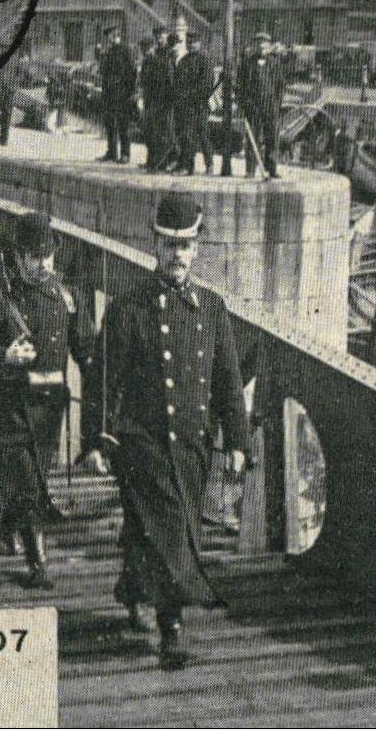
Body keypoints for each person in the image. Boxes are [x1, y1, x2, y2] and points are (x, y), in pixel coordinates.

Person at [83, 192, 250, 670]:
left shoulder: (212, 309)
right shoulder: (129, 308)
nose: (177, 255)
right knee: (172, 533)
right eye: (169, 245)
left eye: (187, 246)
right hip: (143, 444)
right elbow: (102, 379)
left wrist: (236, 441)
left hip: (193, 447)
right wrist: (96, 439)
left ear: (197, 249)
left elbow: (228, 382)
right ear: (155, 244)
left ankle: (131, 588)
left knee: (149, 531)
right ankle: (171, 628)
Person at [0, 212, 96, 588]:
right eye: (33, 257)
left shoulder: (66, 296)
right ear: (19, 256)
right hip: (10, 404)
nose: (42, 265)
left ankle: (9, 526)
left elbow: (86, 348)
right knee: (27, 484)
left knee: (34, 478)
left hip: (48, 407)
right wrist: (3, 356)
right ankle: (38, 563)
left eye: (47, 256)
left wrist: (100, 382)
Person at [237, 30, 284, 179]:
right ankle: (250, 170)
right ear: (254, 46)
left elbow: (280, 86)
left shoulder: (275, 64)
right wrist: (245, 105)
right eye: (259, 45)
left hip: (270, 107)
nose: (262, 48)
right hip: (254, 107)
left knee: (272, 138)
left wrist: (276, 104)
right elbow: (241, 87)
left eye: (264, 45)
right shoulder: (247, 64)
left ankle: (272, 168)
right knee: (253, 139)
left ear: (269, 47)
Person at [171, 33, 216, 176]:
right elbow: (177, 82)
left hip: (199, 105)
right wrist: (179, 97)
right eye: (189, 42)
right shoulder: (183, 61)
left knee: (203, 135)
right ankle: (187, 166)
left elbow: (207, 84)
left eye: (194, 42)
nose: (191, 45)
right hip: (184, 105)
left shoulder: (205, 60)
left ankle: (209, 165)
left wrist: (190, 95)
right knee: (186, 135)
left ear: (200, 43)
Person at [98, 26, 137, 163]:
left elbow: (132, 72)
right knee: (110, 123)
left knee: (123, 124)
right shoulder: (109, 51)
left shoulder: (125, 50)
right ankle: (112, 152)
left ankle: (125, 154)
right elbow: (102, 71)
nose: (108, 39)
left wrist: (130, 92)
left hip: (122, 94)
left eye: (110, 36)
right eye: (108, 37)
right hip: (109, 92)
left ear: (116, 35)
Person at [139, 33, 173, 173]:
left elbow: (169, 81)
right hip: (151, 100)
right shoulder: (150, 59)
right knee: (150, 132)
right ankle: (152, 161)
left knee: (161, 133)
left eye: (162, 38)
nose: (147, 51)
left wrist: (167, 101)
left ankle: (160, 164)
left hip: (162, 101)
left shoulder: (165, 58)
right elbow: (145, 80)